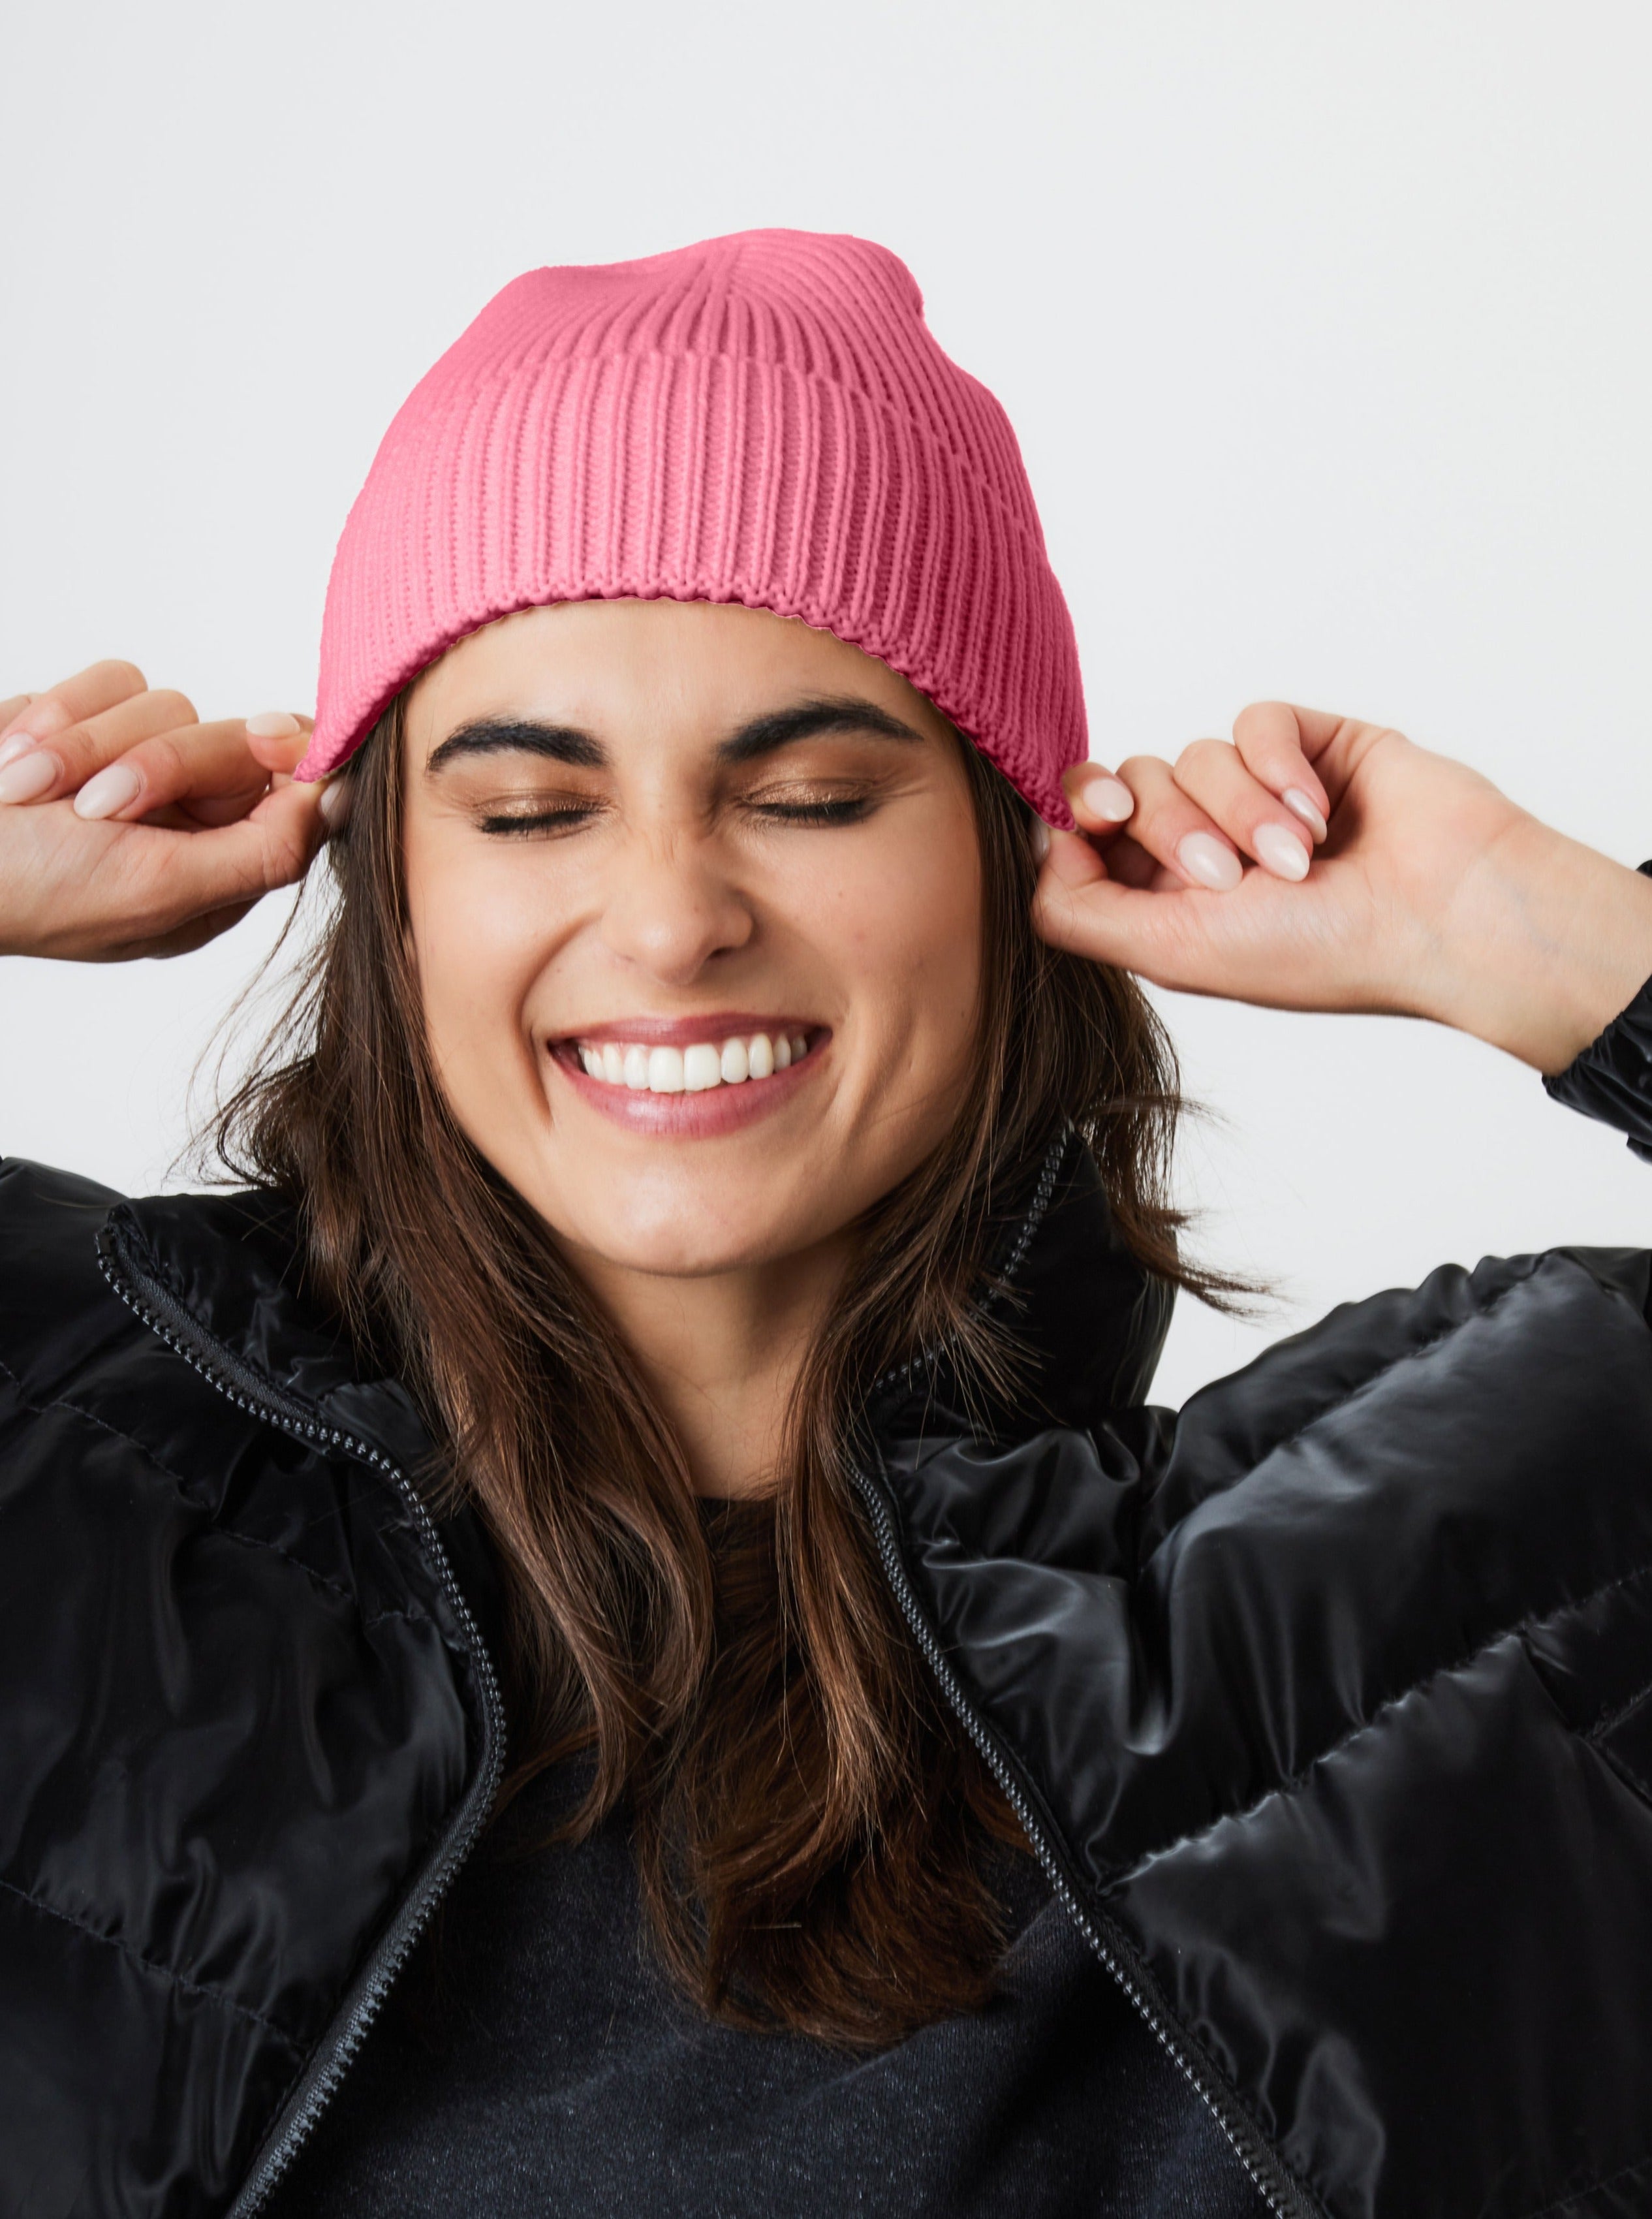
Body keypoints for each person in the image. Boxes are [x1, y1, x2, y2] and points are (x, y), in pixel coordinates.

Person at [3, 230, 1651, 2219]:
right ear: (394, 896)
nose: (675, 917)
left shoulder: (1456, 1588)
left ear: (1005, 854)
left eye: (810, 796)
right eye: (531, 811)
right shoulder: (54, 1483)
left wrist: (1548, 939)